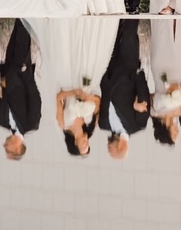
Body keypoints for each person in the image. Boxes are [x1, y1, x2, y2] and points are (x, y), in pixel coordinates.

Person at [30, 17, 120, 157]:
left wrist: (74, 93)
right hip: (87, 79)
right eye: (88, 146)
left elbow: (59, 98)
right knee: (88, 48)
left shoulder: (63, 123)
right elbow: (98, 102)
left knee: (70, 45)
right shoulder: (91, 123)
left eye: (83, 147)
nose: (86, 143)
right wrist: (89, 97)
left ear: (75, 144)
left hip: (69, 80)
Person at [99, 20, 150, 159]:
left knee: (114, 31)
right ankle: (133, 6)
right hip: (128, 70)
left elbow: (103, 100)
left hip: (109, 70)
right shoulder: (138, 125)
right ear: (121, 147)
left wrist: (103, 80)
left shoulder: (103, 124)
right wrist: (139, 74)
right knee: (128, 34)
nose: (108, 148)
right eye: (111, 150)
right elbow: (144, 98)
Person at [0, 20, 42, 160]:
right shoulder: (31, 124)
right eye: (7, 149)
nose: (4, 146)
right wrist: (26, 73)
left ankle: (22, 12)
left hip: (9, 70)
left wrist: (0, 82)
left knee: (17, 31)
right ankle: (27, 8)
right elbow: (34, 97)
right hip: (21, 70)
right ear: (17, 148)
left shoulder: (2, 121)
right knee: (23, 31)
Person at [149, 16, 181, 146]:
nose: (178, 132)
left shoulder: (155, 111)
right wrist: (177, 87)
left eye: (174, 134)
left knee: (161, 38)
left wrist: (176, 90)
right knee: (178, 37)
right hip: (178, 69)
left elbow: (159, 95)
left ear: (166, 131)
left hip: (161, 70)